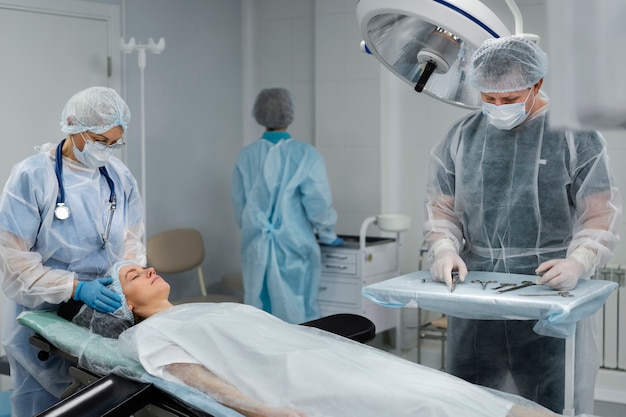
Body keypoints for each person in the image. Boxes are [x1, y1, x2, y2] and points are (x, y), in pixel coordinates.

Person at [64, 260, 561, 417]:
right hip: (298, 380)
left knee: (449, 392)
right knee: (421, 407)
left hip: (327, 356)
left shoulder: (197, 308)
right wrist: (266, 412)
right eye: (133, 274)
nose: (148, 268)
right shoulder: (149, 335)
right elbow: (196, 380)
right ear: (119, 305)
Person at [423, 36, 621, 414]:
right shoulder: (463, 136)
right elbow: (441, 207)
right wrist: (444, 248)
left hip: (546, 291)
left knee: (547, 401)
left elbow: (600, 211)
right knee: (472, 400)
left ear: (537, 85)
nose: (498, 108)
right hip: (477, 297)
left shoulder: (574, 135)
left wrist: (578, 261)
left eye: (510, 99)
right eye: (489, 98)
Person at [0, 86, 146, 416]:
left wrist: (127, 278)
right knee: (43, 404)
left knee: (100, 402)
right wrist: (74, 287)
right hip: (44, 310)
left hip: (104, 312)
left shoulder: (118, 176)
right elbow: (13, 262)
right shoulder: (33, 177)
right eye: (99, 140)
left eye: (114, 143)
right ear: (73, 126)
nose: (106, 150)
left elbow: (132, 240)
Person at [231, 88, 342, 324]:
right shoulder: (305, 155)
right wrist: (328, 233)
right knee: (297, 318)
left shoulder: (246, 155)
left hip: (256, 247)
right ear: (289, 115)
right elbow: (318, 203)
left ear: (258, 114)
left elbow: (241, 210)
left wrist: (257, 229)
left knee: (260, 318)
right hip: (294, 248)